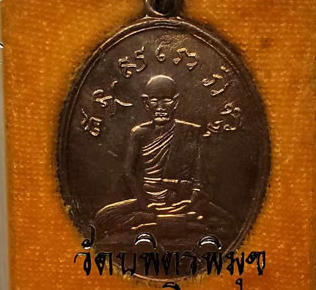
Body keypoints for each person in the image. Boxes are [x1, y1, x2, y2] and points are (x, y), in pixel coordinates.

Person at [94, 75, 226, 249]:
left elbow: (199, 178)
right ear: (146, 102)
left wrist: (191, 200)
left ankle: (152, 223)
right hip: (149, 200)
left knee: (225, 221)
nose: (160, 107)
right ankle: (180, 222)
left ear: (176, 102)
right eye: (155, 100)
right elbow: (129, 172)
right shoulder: (139, 133)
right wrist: (145, 204)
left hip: (182, 200)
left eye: (166, 100)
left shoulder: (191, 132)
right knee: (103, 218)